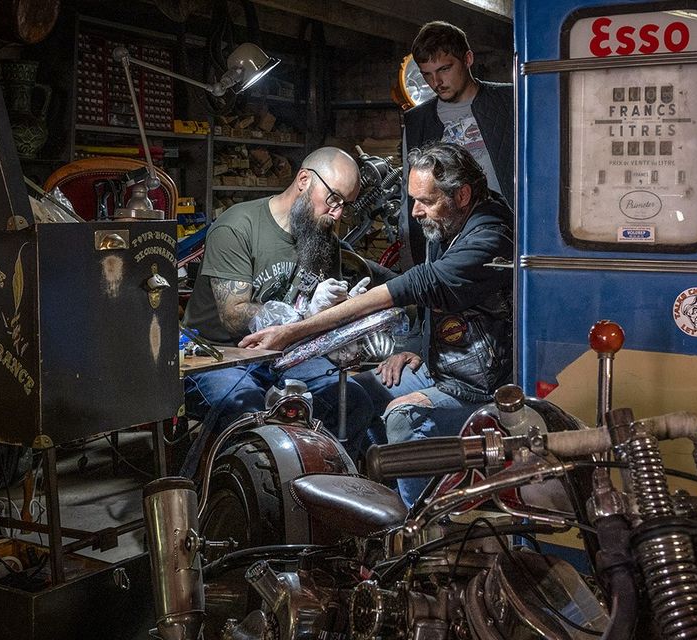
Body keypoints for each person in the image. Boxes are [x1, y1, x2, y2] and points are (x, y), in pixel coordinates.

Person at [242, 142, 514, 505]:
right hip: (443, 369)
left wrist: (295, 330)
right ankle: (368, 498)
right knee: (359, 394)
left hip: (480, 387)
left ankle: (416, 526)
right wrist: (415, 348)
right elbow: (436, 301)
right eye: (413, 200)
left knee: (402, 417)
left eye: (426, 201)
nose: (416, 212)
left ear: (462, 194)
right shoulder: (447, 223)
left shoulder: (490, 235)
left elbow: (419, 284)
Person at [180, 147, 374, 477]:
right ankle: (236, 499)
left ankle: (328, 491)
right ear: (303, 180)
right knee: (249, 410)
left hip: (287, 354)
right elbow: (234, 314)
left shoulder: (322, 239)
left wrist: (344, 320)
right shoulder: (237, 227)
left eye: (345, 205)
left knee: (354, 402)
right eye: (333, 199)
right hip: (222, 356)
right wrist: (304, 316)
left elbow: (321, 310)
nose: (337, 214)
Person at [400, 20, 514, 268]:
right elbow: (408, 198)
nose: (436, 82)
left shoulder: (511, 102)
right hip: (445, 246)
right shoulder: (417, 121)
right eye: (427, 74)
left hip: (505, 242)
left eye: (444, 69)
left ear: (468, 59)